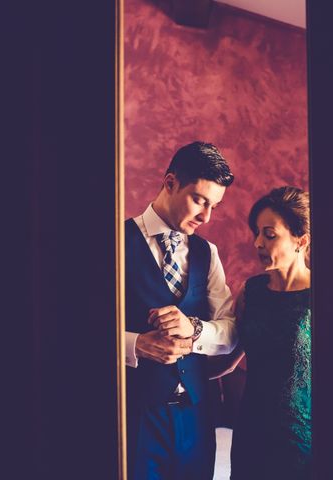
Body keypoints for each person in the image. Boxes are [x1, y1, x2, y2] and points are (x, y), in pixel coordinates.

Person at [125, 141, 238, 480]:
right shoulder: (112, 242)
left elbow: (231, 330)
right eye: (200, 200)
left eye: (214, 206)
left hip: (196, 417)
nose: (206, 217)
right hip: (135, 415)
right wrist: (134, 345)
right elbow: (76, 327)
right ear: (170, 182)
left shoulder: (208, 253)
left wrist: (194, 329)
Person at [212, 186, 312, 479]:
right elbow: (227, 359)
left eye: (269, 235)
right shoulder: (250, 292)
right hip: (251, 435)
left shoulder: (322, 294)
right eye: (257, 233)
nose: (257, 242)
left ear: (300, 241)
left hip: (302, 443)